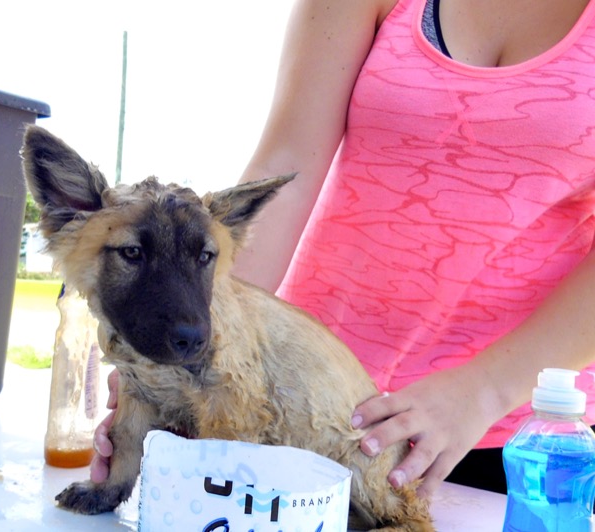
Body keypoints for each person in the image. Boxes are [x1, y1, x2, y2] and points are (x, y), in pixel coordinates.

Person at [91, 0, 595, 500]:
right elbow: (286, 173)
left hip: (522, 441)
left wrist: (482, 392)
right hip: (301, 402)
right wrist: (192, 351)